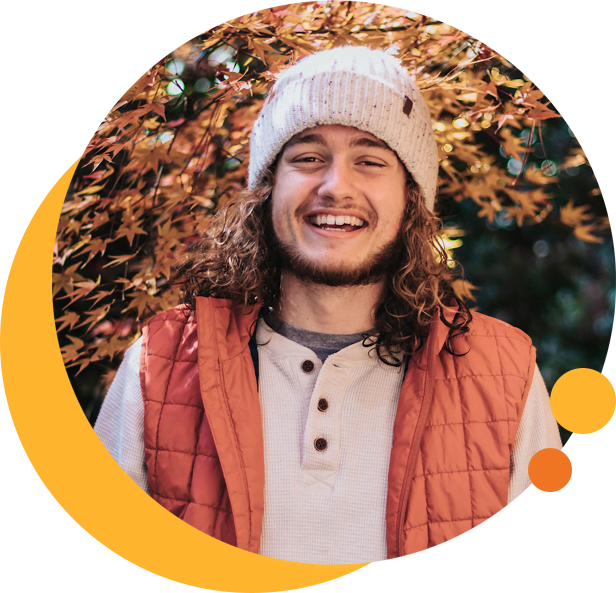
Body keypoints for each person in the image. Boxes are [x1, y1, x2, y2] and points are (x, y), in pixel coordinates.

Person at [94, 46, 563, 565]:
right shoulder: (161, 364)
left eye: (370, 161)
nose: (336, 186)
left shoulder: (503, 375)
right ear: (268, 191)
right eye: (309, 158)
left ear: (411, 197)